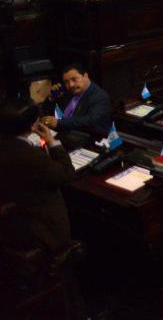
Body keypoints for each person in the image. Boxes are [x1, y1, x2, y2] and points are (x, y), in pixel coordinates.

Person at [0, 101, 75, 252]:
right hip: (39, 230)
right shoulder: (32, 157)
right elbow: (66, 175)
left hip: (9, 226)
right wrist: (52, 142)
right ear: (32, 125)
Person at [40, 63, 112, 136]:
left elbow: (90, 121)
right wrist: (51, 97)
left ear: (86, 76)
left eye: (74, 79)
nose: (71, 84)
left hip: (91, 139)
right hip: (65, 134)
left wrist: (59, 123)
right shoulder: (68, 92)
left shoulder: (99, 97)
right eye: (66, 82)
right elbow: (48, 111)